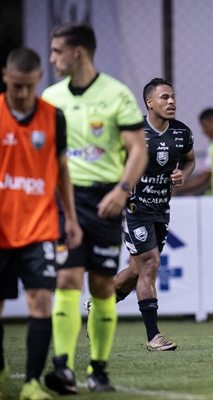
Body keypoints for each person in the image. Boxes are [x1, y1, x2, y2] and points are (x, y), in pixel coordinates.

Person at [41, 23, 148, 394]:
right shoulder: (51, 98)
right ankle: (63, 367)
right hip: (66, 200)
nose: (52, 58)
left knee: (102, 285)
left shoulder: (117, 94)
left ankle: (98, 369)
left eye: (57, 51)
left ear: (78, 52)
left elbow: (138, 150)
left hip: (106, 200)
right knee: (67, 279)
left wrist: (122, 189)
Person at [0, 47, 82, 400]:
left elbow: (62, 169)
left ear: (38, 80)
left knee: (41, 302)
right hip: (1, 229)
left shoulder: (53, 117)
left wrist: (72, 218)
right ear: (5, 76)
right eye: (15, 86)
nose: (20, 93)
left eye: (27, 86)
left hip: (40, 227)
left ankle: (32, 383)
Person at [110, 78, 195, 351]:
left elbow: (190, 160)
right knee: (150, 264)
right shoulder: (134, 132)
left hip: (161, 210)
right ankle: (153, 336)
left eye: (173, 97)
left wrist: (184, 174)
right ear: (149, 103)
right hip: (135, 210)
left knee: (137, 271)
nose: (171, 102)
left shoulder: (182, 133)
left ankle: (101, 304)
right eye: (164, 98)